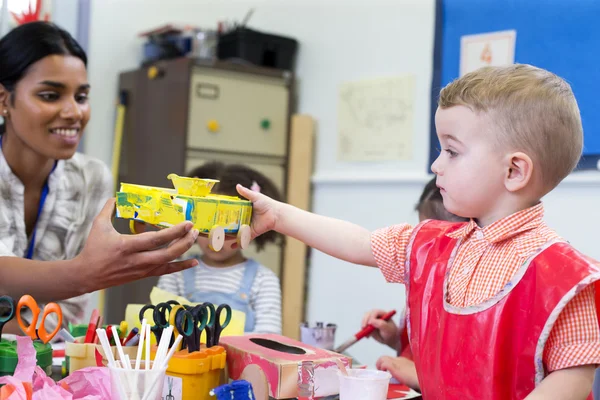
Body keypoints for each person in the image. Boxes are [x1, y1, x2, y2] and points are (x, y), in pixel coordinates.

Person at [236, 64, 600, 399]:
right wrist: (278, 216)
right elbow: (359, 242)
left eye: (452, 152)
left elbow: (574, 379)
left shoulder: (567, 281)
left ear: (514, 171)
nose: (436, 164)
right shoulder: (431, 244)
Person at [0, 21, 199, 329]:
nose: (74, 112)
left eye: (81, 97)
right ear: (4, 100)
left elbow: (64, 311)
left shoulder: (91, 177)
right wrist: (84, 274)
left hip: (40, 356)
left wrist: (86, 276)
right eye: (50, 95)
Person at [361, 177, 468, 390]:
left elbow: (474, 380)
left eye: (430, 243)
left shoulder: (471, 299)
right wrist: (395, 338)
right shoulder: (428, 283)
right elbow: (426, 348)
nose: (423, 250)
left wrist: (420, 377)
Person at [158, 162, 283, 334]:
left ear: (251, 223)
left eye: (227, 226)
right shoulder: (175, 272)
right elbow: (161, 328)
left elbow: (269, 338)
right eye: (206, 225)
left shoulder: (263, 280)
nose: (214, 237)